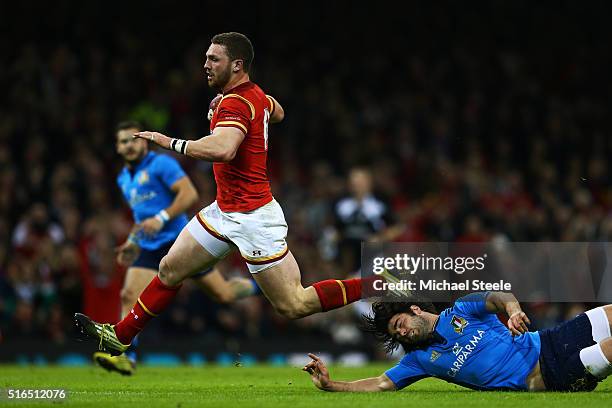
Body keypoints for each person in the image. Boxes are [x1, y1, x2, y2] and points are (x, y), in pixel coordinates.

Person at [75, 32, 377, 356]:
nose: (205, 64)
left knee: (294, 305)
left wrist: (171, 143)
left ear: (236, 65)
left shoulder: (235, 102)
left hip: (254, 218)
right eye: (206, 57)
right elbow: (278, 113)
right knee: (169, 269)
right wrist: (249, 110)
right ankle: (120, 336)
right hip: (224, 212)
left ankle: (379, 284)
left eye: (213, 59)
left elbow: (224, 149)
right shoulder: (252, 94)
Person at [92, 120, 261, 375]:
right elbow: (143, 217)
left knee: (224, 293)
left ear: (144, 142)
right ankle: (126, 357)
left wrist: (161, 218)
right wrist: (133, 241)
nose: (129, 145)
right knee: (129, 294)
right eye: (123, 141)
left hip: (179, 242)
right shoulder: (124, 179)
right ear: (117, 148)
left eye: (134, 139)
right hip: (150, 246)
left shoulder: (162, 164)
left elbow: (189, 194)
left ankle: (262, 287)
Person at [303, 291, 612, 392]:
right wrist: (333, 385)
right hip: (551, 375)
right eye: (397, 335)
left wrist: (514, 310)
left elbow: (499, 297)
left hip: (549, 340)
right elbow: (381, 383)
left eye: (400, 325)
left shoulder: (462, 310)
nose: (403, 333)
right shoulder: (420, 360)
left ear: (414, 310)